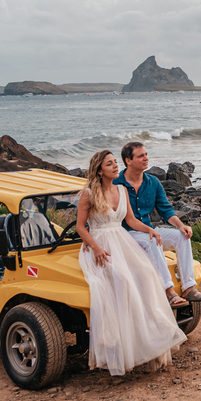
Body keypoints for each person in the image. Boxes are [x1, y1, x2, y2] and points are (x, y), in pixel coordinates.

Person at [77, 149, 186, 375]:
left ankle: (153, 335)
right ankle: (119, 343)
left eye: (115, 162)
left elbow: (131, 220)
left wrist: (150, 230)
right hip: (100, 246)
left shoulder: (122, 190)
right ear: (99, 170)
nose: (115, 166)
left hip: (122, 241)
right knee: (122, 280)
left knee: (147, 275)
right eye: (109, 164)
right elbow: (80, 227)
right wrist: (96, 247)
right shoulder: (88, 194)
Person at [115, 141, 201, 308]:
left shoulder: (153, 182)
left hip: (148, 229)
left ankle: (189, 288)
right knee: (153, 240)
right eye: (140, 156)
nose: (146, 158)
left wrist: (181, 226)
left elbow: (166, 210)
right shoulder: (116, 184)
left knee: (182, 236)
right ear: (128, 161)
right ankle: (169, 291)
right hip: (127, 233)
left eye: (146, 154)